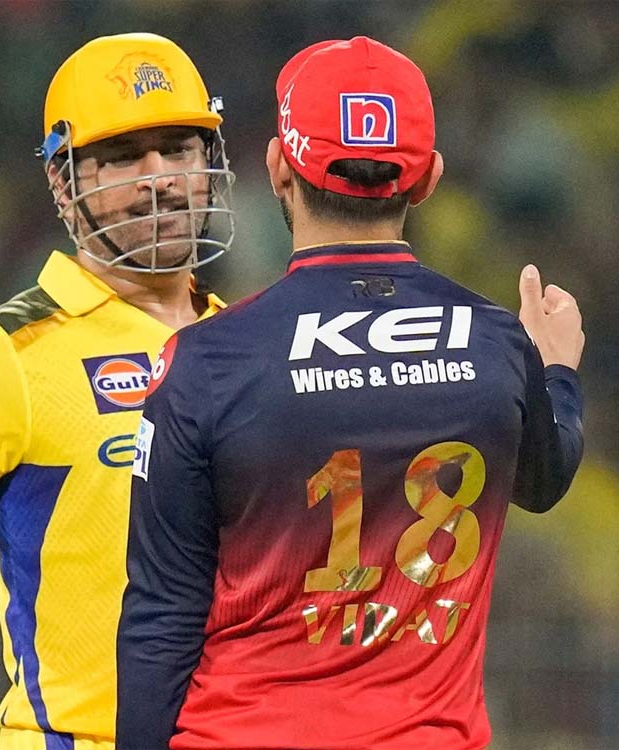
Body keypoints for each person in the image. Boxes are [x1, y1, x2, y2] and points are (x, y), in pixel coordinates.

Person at [116, 36, 585, 750]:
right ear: (427, 179)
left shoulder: (207, 362)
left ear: (278, 166)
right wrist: (557, 375)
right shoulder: (497, 345)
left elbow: (161, 616)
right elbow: (544, 482)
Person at [0, 32, 234, 750]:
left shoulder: (248, 341)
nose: (159, 178)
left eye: (178, 148)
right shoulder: (5, 348)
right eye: (123, 156)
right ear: (63, 182)